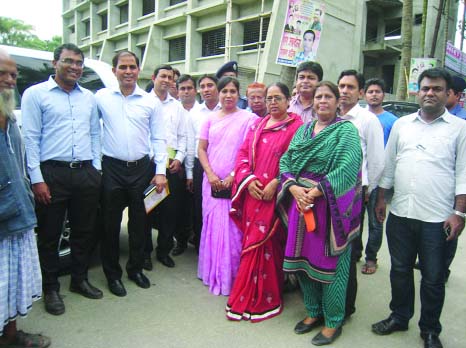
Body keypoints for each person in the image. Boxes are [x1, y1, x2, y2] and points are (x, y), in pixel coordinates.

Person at [372, 68, 466, 348]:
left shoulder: (460, 129)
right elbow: (389, 165)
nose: (429, 93)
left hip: (438, 219)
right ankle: (399, 316)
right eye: (425, 88)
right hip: (401, 214)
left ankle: (430, 331)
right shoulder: (403, 125)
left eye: (437, 89)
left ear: (448, 93)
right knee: (399, 270)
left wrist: (459, 213)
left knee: (433, 278)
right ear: (418, 91)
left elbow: (464, 172)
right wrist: (380, 198)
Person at [278, 81, 362, 346]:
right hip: (299, 207)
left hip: (330, 210)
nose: (322, 100)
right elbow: (286, 162)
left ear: (339, 102)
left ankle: (333, 320)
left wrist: (314, 193)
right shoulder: (303, 132)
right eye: (318, 97)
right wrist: (292, 188)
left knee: (332, 267)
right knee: (303, 263)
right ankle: (313, 312)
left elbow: (349, 168)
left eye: (328, 96)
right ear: (312, 102)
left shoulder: (346, 131)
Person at [22, 43, 103, 315]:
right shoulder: (36, 94)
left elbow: (95, 134)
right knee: (49, 235)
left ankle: (79, 280)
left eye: (79, 63)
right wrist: (37, 179)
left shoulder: (88, 98)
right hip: (52, 174)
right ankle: (51, 288)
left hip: (85, 173)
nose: (75, 67)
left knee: (83, 231)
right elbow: (30, 139)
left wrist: (96, 169)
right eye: (69, 61)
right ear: (55, 62)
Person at [226, 82, 303, 322]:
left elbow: (299, 161)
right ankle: (246, 293)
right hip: (253, 195)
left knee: (270, 246)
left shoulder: (297, 127)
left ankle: (268, 296)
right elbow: (241, 155)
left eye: (277, 98)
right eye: (269, 98)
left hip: (277, 198)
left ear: (288, 100)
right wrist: (248, 181)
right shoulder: (257, 125)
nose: (272, 102)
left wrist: (278, 182)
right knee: (251, 245)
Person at [96, 51, 167, 297]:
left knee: (140, 223)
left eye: (132, 67)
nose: (128, 72)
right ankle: (112, 275)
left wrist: (160, 172)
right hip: (111, 169)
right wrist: (97, 166)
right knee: (110, 225)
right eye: (123, 67)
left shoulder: (151, 102)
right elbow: (94, 133)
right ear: (114, 70)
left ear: (139, 70)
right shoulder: (101, 98)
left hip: (143, 170)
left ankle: (135, 269)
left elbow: (159, 138)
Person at [0, 48, 51, 348]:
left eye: (12, 75)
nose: (9, 80)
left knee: (13, 282)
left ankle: (11, 335)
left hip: (17, 215)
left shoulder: (9, 117)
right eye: (2, 74)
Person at [197, 76, 257, 295]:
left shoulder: (248, 119)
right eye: (225, 91)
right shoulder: (209, 119)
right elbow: (201, 149)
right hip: (211, 182)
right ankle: (213, 272)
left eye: (233, 91)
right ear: (218, 93)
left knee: (233, 229)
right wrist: (211, 174)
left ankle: (233, 275)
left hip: (237, 182)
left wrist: (234, 174)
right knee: (213, 226)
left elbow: (251, 150)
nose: (228, 95)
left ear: (238, 94)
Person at [337, 69, 385, 318]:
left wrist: (369, 190)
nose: (344, 91)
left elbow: (377, 161)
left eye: (350, 87)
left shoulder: (367, 120)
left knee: (349, 252)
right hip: (329, 192)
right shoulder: (330, 115)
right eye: (342, 86)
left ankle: (346, 308)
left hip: (356, 193)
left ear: (361, 92)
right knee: (331, 249)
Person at [146, 64, 187, 268]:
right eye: (162, 75)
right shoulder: (143, 102)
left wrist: (179, 158)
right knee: (146, 210)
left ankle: (163, 251)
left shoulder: (177, 106)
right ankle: (144, 252)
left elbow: (182, 136)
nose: (166, 80)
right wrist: (156, 159)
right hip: (149, 165)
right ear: (154, 77)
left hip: (171, 167)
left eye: (170, 77)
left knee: (170, 211)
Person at [361, 78, 398, 275]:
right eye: (370, 91)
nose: (374, 94)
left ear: (384, 95)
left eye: (378, 91)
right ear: (364, 94)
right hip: (360, 178)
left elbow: (393, 153)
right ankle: (355, 252)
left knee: (376, 220)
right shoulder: (358, 117)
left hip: (380, 180)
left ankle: (371, 257)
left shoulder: (392, 121)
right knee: (355, 221)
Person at [185, 75, 221, 253]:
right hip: (201, 166)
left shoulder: (229, 109)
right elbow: (192, 145)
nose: (206, 89)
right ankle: (202, 246)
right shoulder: (195, 113)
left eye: (210, 85)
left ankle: (219, 245)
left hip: (223, 165)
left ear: (217, 88)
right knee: (200, 206)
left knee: (221, 207)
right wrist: (190, 173)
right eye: (203, 86)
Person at [172, 74, 198, 256]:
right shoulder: (172, 110)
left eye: (189, 88)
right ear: (177, 91)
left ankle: (197, 240)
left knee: (196, 206)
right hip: (174, 165)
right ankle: (179, 241)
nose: (186, 92)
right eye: (182, 88)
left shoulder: (202, 112)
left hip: (197, 165)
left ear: (195, 90)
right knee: (177, 206)